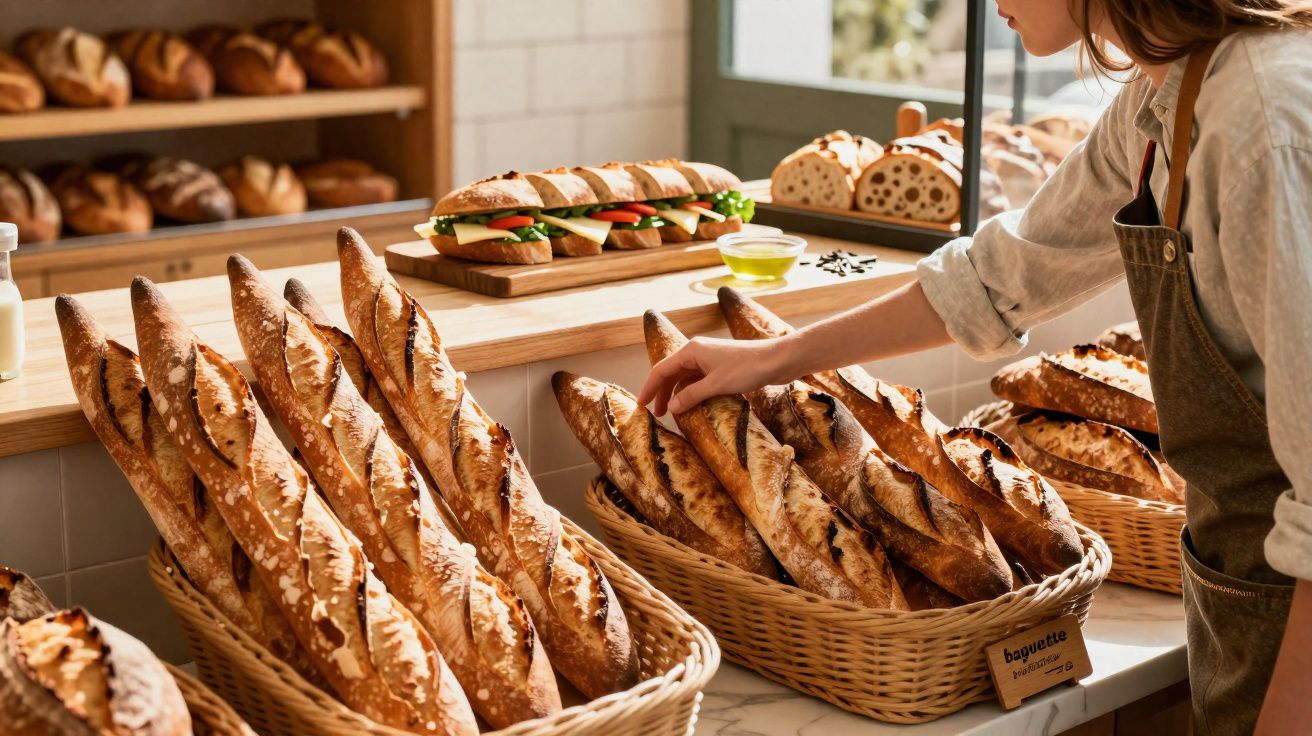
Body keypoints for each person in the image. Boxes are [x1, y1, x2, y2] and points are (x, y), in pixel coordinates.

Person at [639, 2, 1312, 734]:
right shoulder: (1164, 100)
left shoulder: (1260, 122)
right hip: (1243, 589)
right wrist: (774, 358)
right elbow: (999, 276)